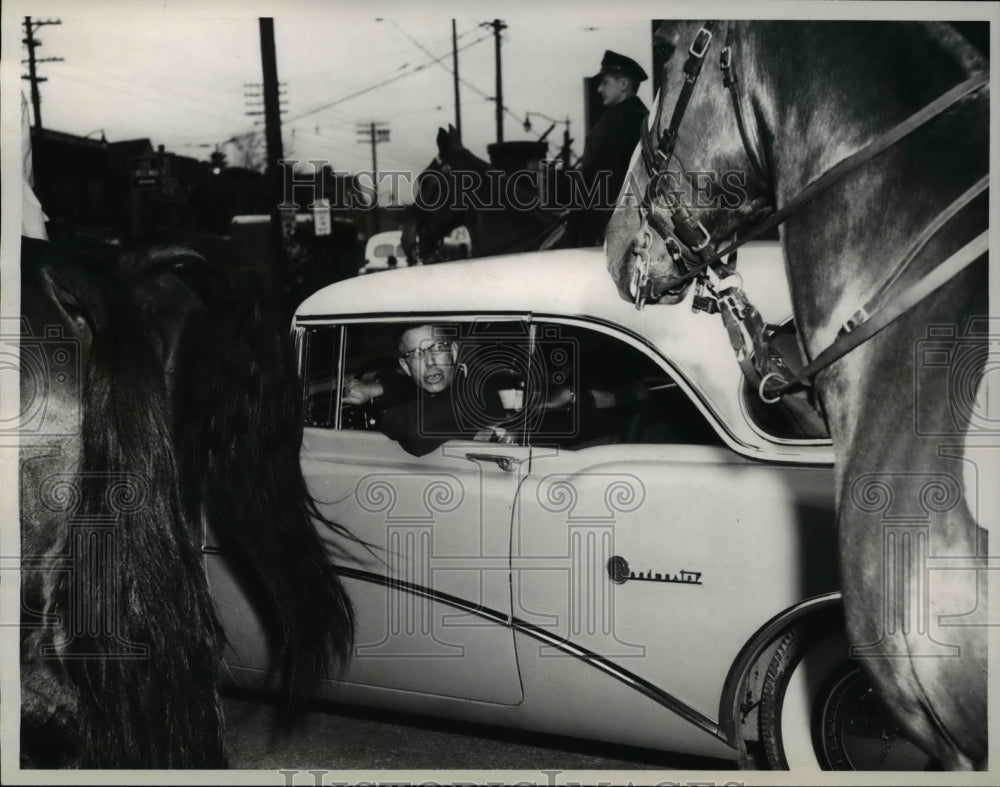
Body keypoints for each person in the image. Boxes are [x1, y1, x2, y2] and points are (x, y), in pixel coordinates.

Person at [341, 324, 509, 456]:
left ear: (453, 352)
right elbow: (408, 388)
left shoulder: (475, 389)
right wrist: (374, 389)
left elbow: (417, 432)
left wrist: (386, 417)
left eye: (437, 349)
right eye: (416, 355)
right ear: (406, 367)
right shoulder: (440, 387)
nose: (430, 363)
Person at [564, 50, 649, 247]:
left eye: (605, 82)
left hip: (604, 231)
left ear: (623, 84)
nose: (599, 89)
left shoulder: (627, 120)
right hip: (605, 225)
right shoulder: (629, 117)